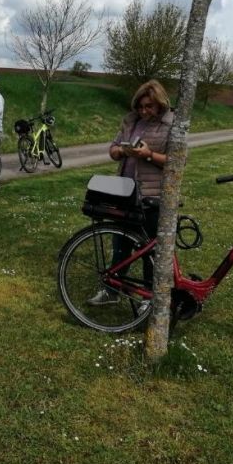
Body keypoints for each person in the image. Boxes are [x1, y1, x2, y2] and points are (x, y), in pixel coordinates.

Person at [87, 79, 173, 306]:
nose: (144, 111)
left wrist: (147, 154)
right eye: (141, 106)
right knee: (120, 244)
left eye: (149, 106)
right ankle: (112, 290)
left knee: (149, 250)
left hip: (152, 196)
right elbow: (113, 149)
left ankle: (149, 298)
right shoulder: (130, 120)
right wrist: (121, 151)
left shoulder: (171, 125)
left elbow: (175, 163)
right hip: (125, 192)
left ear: (159, 105)